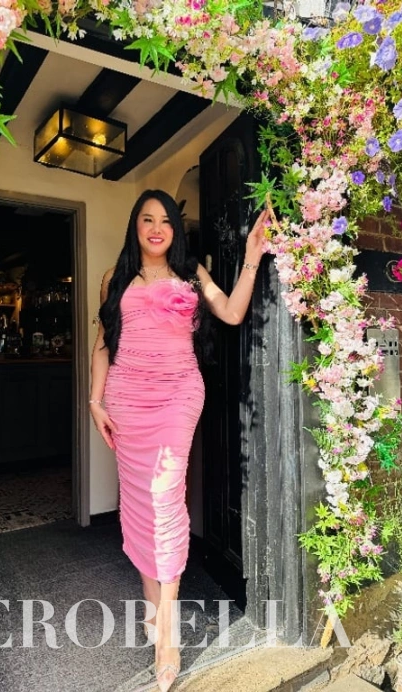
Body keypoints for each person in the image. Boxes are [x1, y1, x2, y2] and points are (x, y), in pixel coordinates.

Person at [89, 189, 269, 692]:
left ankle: (166, 635)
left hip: (177, 396)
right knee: (139, 504)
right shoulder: (114, 277)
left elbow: (231, 312)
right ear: (135, 226)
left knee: (165, 498)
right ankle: (154, 605)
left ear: (175, 229)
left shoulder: (192, 274)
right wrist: (95, 401)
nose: (156, 228)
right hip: (126, 399)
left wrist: (252, 258)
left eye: (166, 220)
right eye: (147, 219)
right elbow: (103, 344)